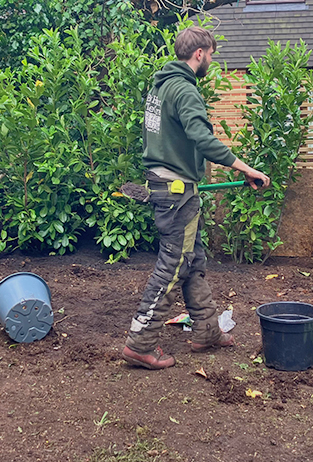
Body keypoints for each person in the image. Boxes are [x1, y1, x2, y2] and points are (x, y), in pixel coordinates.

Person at [122, 27, 270, 370]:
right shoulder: (185, 89)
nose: (211, 61)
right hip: (177, 191)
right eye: (211, 54)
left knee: (192, 261)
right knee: (174, 264)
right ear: (199, 53)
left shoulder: (159, 87)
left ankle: (207, 330)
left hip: (165, 184)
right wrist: (246, 168)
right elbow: (202, 139)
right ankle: (140, 342)